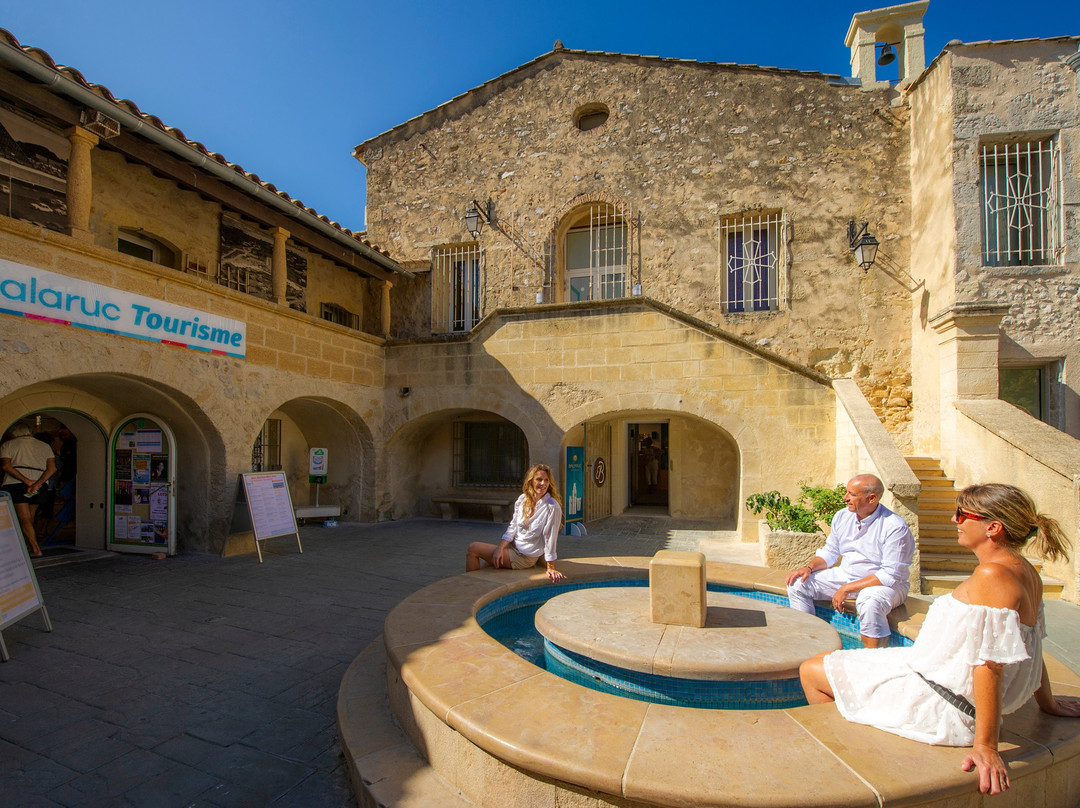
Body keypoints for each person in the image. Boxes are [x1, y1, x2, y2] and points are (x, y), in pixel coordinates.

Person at [799, 484, 1080, 796]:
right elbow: (1029, 643)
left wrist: (986, 746)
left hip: (943, 700)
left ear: (992, 527)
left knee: (812, 669)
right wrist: (1048, 703)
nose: (953, 520)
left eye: (961, 514)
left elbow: (990, 664)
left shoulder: (993, 576)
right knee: (837, 661)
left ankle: (849, 768)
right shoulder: (1024, 570)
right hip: (935, 673)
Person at [786, 474, 914, 647]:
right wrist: (809, 567)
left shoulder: (895, 527)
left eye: (852, 494)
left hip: (886, 586)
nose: (845, 498)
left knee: (869, 601)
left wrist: (847, 588)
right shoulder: (842, 516)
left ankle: (873, 659)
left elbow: (889, 575)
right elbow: (830, 552)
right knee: (798, 584)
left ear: (872, 498)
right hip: (845, 576)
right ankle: (808, 641)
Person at [466, 463, 565, 583]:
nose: (543, 484)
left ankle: (470, 586)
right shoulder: (523, 499)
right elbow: (512, 527)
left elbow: (550, 538)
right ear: (531, 481)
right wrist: (500, 548)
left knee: (473, 549)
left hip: (524, 556)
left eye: (546, 480)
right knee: (487, 566)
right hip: (512, 546)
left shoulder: (552, 507)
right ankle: (478, 589)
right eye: (539, 479)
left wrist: (551, 567)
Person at [1, 423, 57, 558]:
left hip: (16, 484)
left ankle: (35, 548)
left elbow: (6, 467)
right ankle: (27, 544)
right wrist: (38, 484)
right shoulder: (44, 446)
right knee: (30, 517)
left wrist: (26, 481)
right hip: (40, 485)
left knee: (23, 518)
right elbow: (52, 469)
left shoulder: (8, 445)